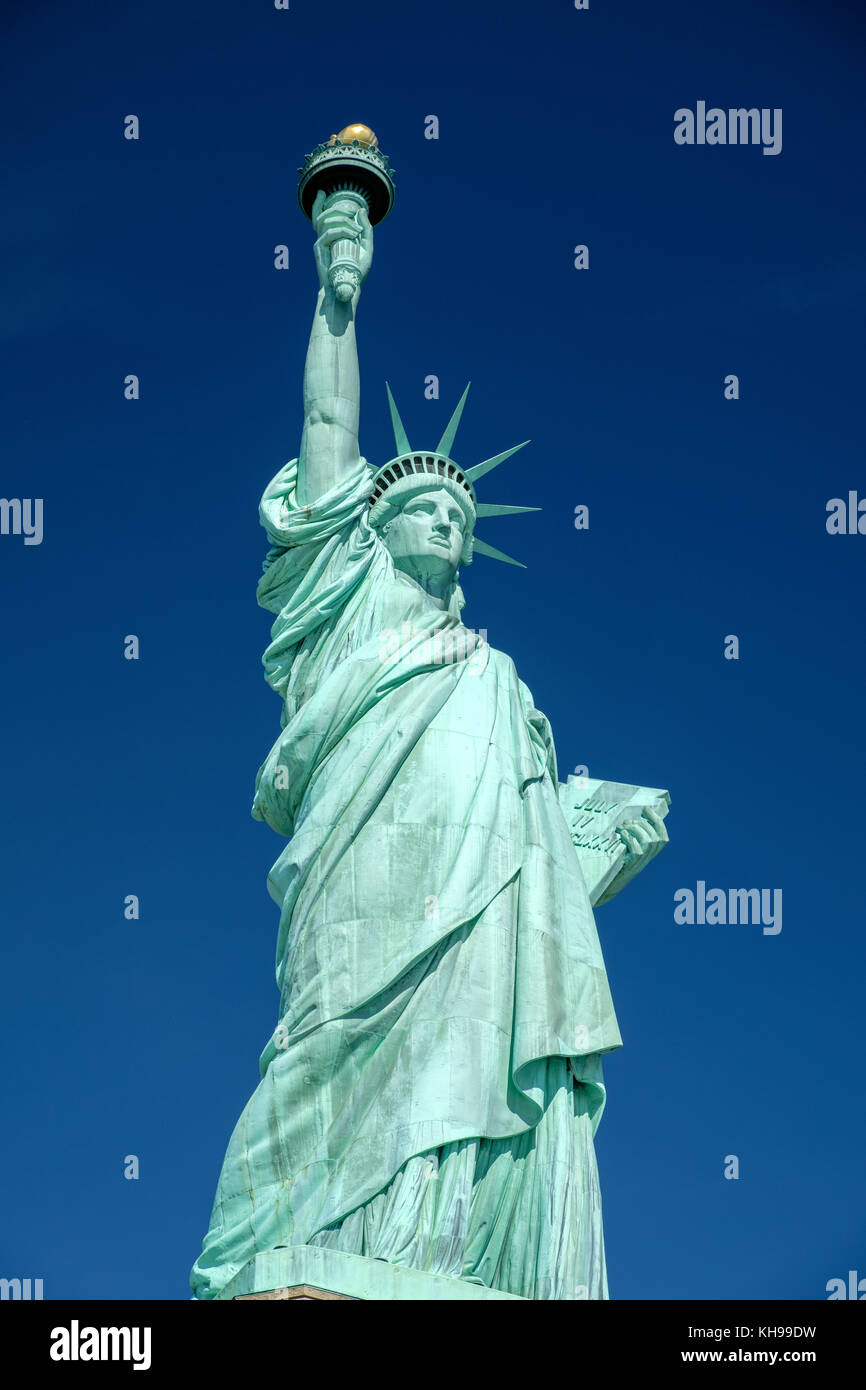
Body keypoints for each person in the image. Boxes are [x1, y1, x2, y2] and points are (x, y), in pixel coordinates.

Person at [190, 188, 659, 1302]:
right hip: (359, 892)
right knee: (320, 1049)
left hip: (476, 925)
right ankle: (287, 1237)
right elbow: (323, 431)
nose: (447, 518)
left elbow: (532, 860)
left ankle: (441, 1250)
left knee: (471, 1053)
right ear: (369, 529)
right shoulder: (341, 607)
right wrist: (336, 289)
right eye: (422, 506)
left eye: (461, 514)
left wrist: (584, 848)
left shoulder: (499, 679)